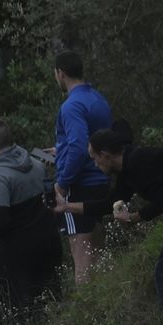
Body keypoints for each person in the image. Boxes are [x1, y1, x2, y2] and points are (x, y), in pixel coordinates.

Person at [56, 128, 163, 316]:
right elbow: (109, 204)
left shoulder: (139, 163)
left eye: (95, 158)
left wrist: (134, 217)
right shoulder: (125, 169)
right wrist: (66, 206)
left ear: (105, 155)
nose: (95, 163)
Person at [0, 117, 61, 314]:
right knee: (52, 303)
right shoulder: (36, 164)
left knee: (22, 313)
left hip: (18, 258)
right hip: (48, 243)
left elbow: (0, 221)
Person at [50, 51, 115, 286]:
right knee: (97, 250)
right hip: (100, 181)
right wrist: (61, 149)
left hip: (80, 185)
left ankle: (85, 316)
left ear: (61, 73)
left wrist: (62, 184)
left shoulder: (71, 106)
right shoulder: (97, 98)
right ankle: (103, 308)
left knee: (82, 253)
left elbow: (79, 147)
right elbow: (90, 140)